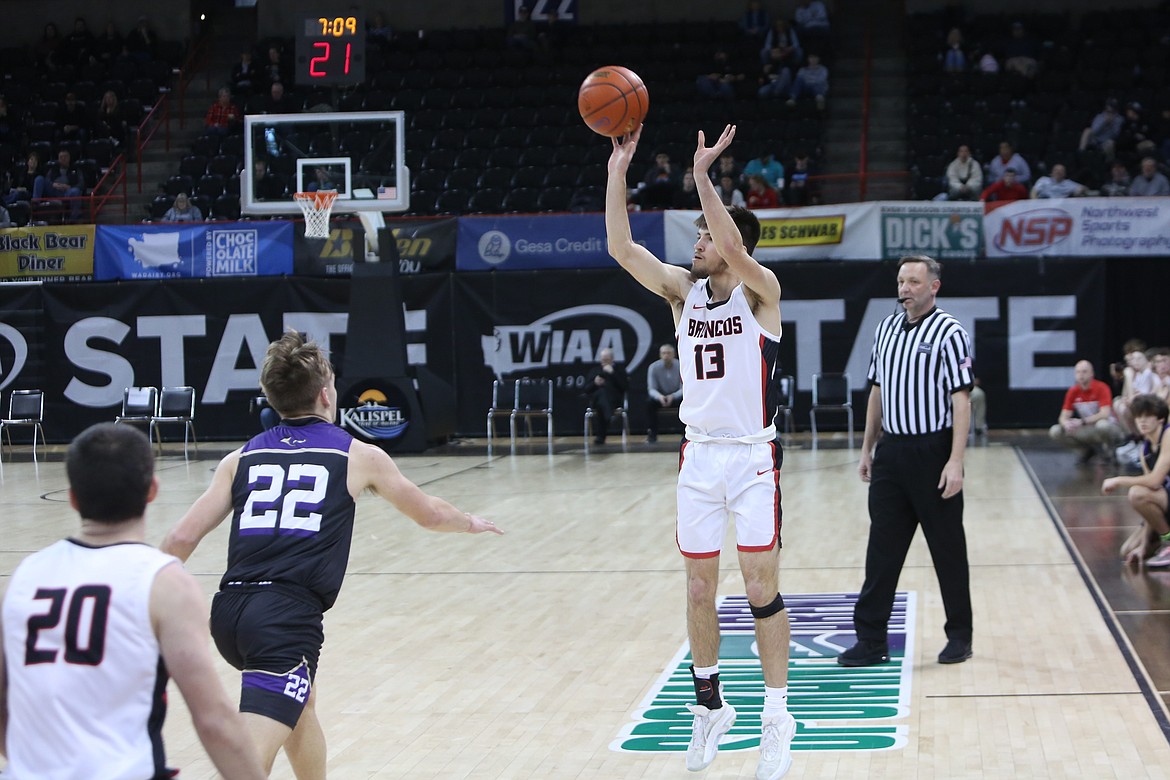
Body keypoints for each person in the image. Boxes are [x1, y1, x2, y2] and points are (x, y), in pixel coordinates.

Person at [159, 331, 502, 775]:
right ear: (325, 393)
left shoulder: (240, 458)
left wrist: (135, 591)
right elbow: (430, 514)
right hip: (283, 620)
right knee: (247, 766)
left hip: (228, 613)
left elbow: (182, 538)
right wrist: (469, 521)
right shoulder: (357, 455)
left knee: (301, 710)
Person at [605, 123, 795, 779]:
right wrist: (618, 167)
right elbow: (621, 246)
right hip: (699, 456)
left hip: (751, 457)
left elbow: (736, 245)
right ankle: (710, 707)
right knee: (696, 589)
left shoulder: (760, 292)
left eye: (705, 237)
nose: (698, 243)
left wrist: (705, 177)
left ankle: (776, 716)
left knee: (760, 586)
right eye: (699, 235)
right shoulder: (683, 296)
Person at [0, 423, 267, 779]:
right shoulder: (163, 581)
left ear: (73, 497)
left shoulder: (27, 574)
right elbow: (214, 720)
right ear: (152, 491)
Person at [840, 254, 975, 670]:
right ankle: (871, 639)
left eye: (914, 281)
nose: (905, 289)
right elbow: (877, 391)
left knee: (947, 548)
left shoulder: (950, 332)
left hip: (932, 452)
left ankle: (959, 635)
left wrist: (955, 461)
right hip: (892, 454)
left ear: (934, 286)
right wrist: (867, 448)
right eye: (901, 281)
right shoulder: (884, 330)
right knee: (881, 550)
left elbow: (961, 399)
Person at [1103, 394, 1170, 567]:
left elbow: (1154, 481)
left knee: (1136, 493)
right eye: (1139, 417)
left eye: (1148, 416)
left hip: (1166, 498)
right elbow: (1153, 491)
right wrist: (1144, 545)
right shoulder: (1145, 447)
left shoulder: (1168, 435)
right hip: (1165, 501)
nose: (1142, 421)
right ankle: (1160, 543)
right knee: (1128, 550)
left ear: (1160, 418)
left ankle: (1168, 542)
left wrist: (1118, 480)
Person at [1048, 360, 1125, 464]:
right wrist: (1066, 423)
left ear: (1091, 373)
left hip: (1109, 427)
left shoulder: (1101, 387)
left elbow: (1104, 414)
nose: (1081, 375)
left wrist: (1082, 422)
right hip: (1088, 428)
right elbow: (1063, 416)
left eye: (1084, 372)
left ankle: (1110, 452)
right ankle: (1086, 451)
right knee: (1055, 431)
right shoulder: (1073, 391)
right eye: (1078, 372)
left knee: (1102, 425)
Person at [584, 347, 629, 445]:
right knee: (601, 394)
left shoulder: (619, 370)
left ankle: (600, 437)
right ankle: (609, 416)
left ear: (612, 359)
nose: (604, 362)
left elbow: (624, 387)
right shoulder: (595, 371)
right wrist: (595, 383)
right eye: (603, 360)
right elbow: (586, 389)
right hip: (596, 400)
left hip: (614, 400)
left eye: (607, 360)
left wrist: (613, 373)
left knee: (603, 402)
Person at [645, 343, 683, 443]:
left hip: (677, 396)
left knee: (686, 401)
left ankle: (685, 433)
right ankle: (652, 434)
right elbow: (651, 389)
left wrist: (673, 396)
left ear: (674, 354)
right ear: (660, 355)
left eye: (668, 353)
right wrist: (660, 397)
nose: (666, 355)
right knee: (649, 402)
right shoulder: (653, 367)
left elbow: (685, 388)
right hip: (661, 397)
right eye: (663, 353)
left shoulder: (681, 365)